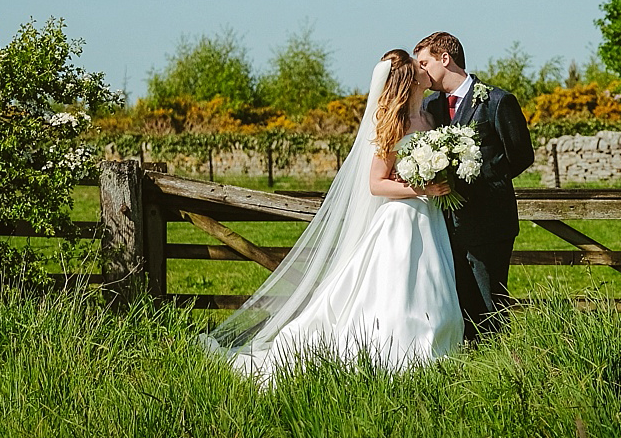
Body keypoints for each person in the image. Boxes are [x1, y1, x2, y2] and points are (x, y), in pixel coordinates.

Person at [200, 49, 463, 378]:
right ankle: (397, 346)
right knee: (397, 286)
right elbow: (376, 184)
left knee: (431, 280)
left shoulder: (430, 117)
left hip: (429, 215)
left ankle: (439, 341)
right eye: (417, 67)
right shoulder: (394, 125)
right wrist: (420, 189)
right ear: (407, 80)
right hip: (400, 218)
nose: (424, 71)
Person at [413, 31, 534, 342]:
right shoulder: (431, 108)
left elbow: (520, 156)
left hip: (490, 222)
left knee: (491, 303)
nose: (421, 70)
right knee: (456, 302)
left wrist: (479, 178)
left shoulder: (496, 101)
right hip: (445, 226)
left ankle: (496, 368)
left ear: (445, 58)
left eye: (424, 62)